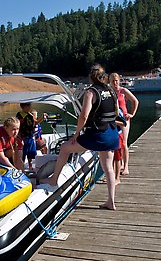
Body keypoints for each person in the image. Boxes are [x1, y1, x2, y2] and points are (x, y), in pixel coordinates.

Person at [40, 63, 119, 210]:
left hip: (97, 135)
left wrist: (76, 134)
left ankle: (53, 180)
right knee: (108, 168)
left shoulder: (91, 92)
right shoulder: (110, 90)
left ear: (91, 77)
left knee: (64, 148)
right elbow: (116, 110)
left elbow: (84, 115)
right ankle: (111, 201)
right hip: (112, 133)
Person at [108, 72, 139, 176]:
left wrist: (132, 114)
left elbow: (135, 101)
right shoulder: (109, 92)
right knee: (116, 143)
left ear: (119, 81)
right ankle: (118, 163)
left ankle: (126, 166)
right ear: (110, 82)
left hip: (124, 119)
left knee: (124, 143)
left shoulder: (123, 91)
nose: (115, 82)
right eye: (113, 81)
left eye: (116, 80)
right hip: (113, 120)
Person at [16, 103, 45, 170]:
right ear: (24, 107)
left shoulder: (30, 115)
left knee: (31, 153)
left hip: (30, 137)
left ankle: (30, 166)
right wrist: (19, 137)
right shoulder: (19, 115)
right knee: (23, 153)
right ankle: (21, 167)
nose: (30, 107)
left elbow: (35, 122)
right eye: (28, 106)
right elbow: (18, 126)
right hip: (23, 137)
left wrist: (42, 118)